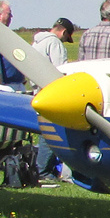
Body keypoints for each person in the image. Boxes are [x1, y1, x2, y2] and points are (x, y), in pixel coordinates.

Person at [31, 17, 75, 184]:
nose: (65, 40)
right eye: (66, 37)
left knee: (43, 131)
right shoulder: (55, 44)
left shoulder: (37, 42)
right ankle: (44, 170)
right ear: (63, 32)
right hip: (51, 91)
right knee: (51, 132)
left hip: (37, 90)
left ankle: (43, 168)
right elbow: (60, 70)